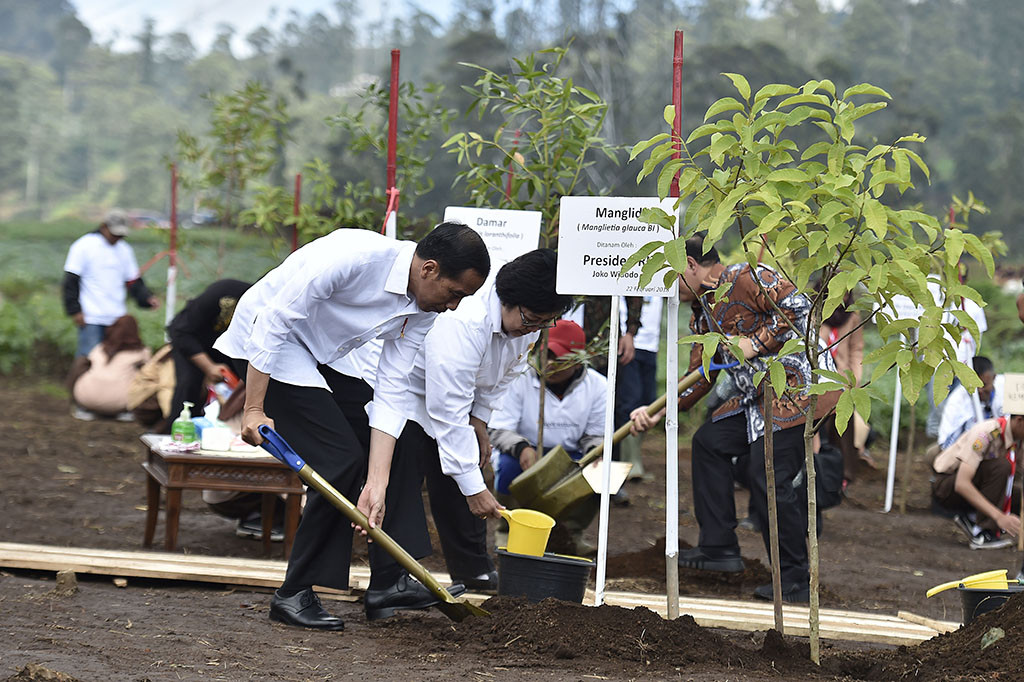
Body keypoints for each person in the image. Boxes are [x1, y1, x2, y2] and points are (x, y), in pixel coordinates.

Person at [213, 223, 490, 631]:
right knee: (338, 459)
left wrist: (377, 483)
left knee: (404, 440)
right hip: (270, 341)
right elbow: (274, 319)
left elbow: (392, 388)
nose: (453, 307)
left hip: (325, 352)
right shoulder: (355, 257)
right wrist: (253, 408)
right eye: (454, 294)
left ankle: (389, 583)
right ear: (429, 269)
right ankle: (295, 592)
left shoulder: (423, 307)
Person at [344, 249, 573, 592]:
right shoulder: (465, 321)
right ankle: (391, 582)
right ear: (507, 300)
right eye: (532, 319)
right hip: (398, 386)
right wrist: (475, 489)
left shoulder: (528, 323)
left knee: (467, 462)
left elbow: (504, 375)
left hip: (447, 394)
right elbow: (448, 411)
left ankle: (472, 569)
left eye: (545, 322)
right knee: (407, 468)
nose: (535, 329)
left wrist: (480, 420)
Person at [630, 237, 838, 604]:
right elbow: (701, 373)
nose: (667, 290)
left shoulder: (746, 276)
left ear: (690, 265)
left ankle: (795, 578)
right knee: (708, 442)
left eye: (670, 278)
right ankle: (719, 548)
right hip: (755, 398)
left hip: (799, 391)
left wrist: (755, 344)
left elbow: (801, 308)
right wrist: (659, 410)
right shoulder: (702, 312)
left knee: (767, 473)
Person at [489, 319, 606, 556]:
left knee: (601, 472)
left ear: (577, 360)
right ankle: (509, 530)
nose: (550, 364)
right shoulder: (520, 377)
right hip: (526, 452)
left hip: (571, 456)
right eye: (547, 355)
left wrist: (595, 453)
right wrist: (521, 448)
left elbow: (596, 434)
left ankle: (570, 533)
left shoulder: (598, 386)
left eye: (559, 358)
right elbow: (499, 428)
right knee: (508, 466)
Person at [167, 279, 270, 538]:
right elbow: (179, 332)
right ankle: (177, 447)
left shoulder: (267, 309)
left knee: (240, 393)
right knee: (188, 390)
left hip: (228, 351)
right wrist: (208, 367)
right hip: (193, 346)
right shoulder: (223, 293)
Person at [63, 210, 159, 359]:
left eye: (121, 235)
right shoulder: (84, 246)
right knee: (90, 359)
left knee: (115, 360)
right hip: (91, 317)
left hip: (117, 317)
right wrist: (75, 310)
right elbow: (71, 281)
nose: (117, 238)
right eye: (114, 234)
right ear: (104, 227)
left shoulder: (124, 250)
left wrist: (146, 297)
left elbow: (133, 280)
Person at [932, 412, 1023, 550]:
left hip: (981, 485)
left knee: (1018, 495)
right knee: (1002, 467)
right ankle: (983, 532)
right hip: (947, 487)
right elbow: (962, 484)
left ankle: (973, 518)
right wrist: (999, 517)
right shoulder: (986, 434)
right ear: (1019, 420)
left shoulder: (1019, 440)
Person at [70, 315, 152, 420]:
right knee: (148, 373)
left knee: (82, 362)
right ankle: (134, 411)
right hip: (122, 403)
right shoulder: (142, 352)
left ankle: (81, 408)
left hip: (86, 399)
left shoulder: (100, 348)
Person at [937, 356, 1004, 451]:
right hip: (968, 448)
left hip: (1000, 445)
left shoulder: (1006, 388)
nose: (980, 391)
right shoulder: (956, 400)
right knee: (933, 453)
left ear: (994, 378)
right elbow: (945, 440)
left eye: (983, 385)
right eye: (975, 387)